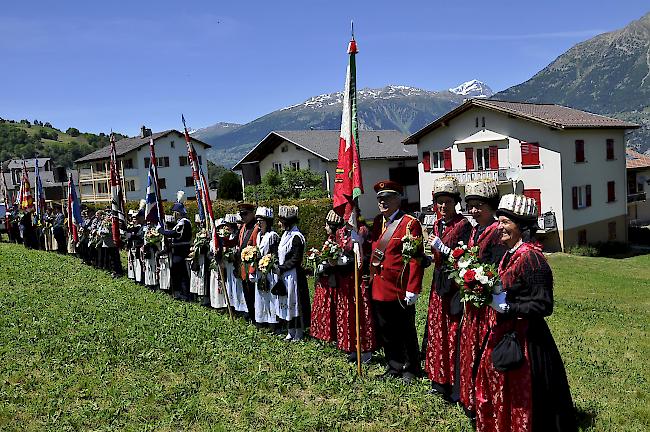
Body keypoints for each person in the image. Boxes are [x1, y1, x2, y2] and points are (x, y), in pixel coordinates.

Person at [475, 194, 576, 432]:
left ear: (521, 226)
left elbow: (544, 305)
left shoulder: (532, 259)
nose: (499, 227)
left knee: (531, 395)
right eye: (498, 222)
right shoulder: (509, 254)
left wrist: (510, 307)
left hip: (528, 339)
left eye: (505, 223)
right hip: (506, 332)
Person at [457, 179, 507, 419]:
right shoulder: (474, 229)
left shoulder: (497, 232)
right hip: (472, 302)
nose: (474, 211)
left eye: (479, 205)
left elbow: (498, 270)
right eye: (471, 206)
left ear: (491, 206)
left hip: (487, 304)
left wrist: (480, 282)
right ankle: (470, 396)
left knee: (484, 351)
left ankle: (485, 399)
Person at [369, 180, 424, 383]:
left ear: (397, 199)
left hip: (399, 287)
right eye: (379, 199)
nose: (382, 202)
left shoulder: (410, 224)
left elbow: (415, 258)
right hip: (379, 286)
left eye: (387, 198)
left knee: (405, 329)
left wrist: (413, 288)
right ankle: (394, 364)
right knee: (386, 329)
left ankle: (411, 368)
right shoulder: (376, 222)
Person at [424, 176, 471, 398]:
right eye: (440, 202)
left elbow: (464, 259)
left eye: (448, 202)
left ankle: (454, 381)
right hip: (438, 283)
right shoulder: (436, 224)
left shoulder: (463, 226)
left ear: (455, 203)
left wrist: (441, 248)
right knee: (437, 330)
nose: (443, 207)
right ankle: (438, 377)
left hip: (454, 286)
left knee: (452, 330)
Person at [335, 212, 377, 364]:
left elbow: (369, 253)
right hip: (345, 279)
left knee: (362, 314)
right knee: (348, 313)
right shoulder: (340, 232)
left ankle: (366, 349)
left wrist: (355, 259)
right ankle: (352, 347)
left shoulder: (363, 231)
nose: (346, 219)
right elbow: (337, 250)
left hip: (359, 279)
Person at [276, 205, 311, 341]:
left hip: (294, 275)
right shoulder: (285, 235)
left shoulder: (297, 237)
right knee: (286, 301)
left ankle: (299, 332)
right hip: (285, 275)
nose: (279, 224)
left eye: (281, 221)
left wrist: (282, 267)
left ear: (287, 222)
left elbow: (296, 259)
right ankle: (290, 330)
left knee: (295, 303)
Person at [310, 210, 342, 344]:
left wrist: (324, 265)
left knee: (330, 306)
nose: (325, 227)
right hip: (324, 278)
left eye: (327, 225)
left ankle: (331, 334)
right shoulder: (330, 239)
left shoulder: (337, 240)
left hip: (331, 278)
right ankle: (322, 333)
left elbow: (334, 259)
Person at [160, 191, 192, 300]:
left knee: (180, 272)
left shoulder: (183, 222)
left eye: (175, 212)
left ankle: (184, 293)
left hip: (181, 250)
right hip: (178, 249)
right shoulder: (181, 222)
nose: (174, 214)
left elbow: (175, 234)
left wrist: (162, 231)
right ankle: (179, 292)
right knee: (177, 271)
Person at [252, 207, 280, 327]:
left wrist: (267, 262)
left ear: (267, 221)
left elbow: (274, 254)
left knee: (270, 295)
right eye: (257, 220)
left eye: (261, 220)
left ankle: (273, 321)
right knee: (260, 295)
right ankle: (261, 319)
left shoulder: (272, 235)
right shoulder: (258, 235)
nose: (259, 223)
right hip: (260, 269)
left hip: (269, 270)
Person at [237, 202, 259, 321]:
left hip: (251, 266)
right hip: (243, 266)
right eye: (241, 215)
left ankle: (255, 315)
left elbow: (256, 248)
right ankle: (250, 314)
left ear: (252, 214)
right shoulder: (243, 228)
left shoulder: (256, 228)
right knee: (246, 292)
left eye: (245, 214)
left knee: (253, 293)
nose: (243, 217)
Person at [209, 218, 230, 310]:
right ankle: (216, 304)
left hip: (224, 265)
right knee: (215, 284)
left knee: (224, 284)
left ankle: (225, 304)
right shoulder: (213, 241)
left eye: (223, 227)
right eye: (219, 227)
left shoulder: (227, 240)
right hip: (216, 266)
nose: (221, 229)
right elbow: (210, 253)